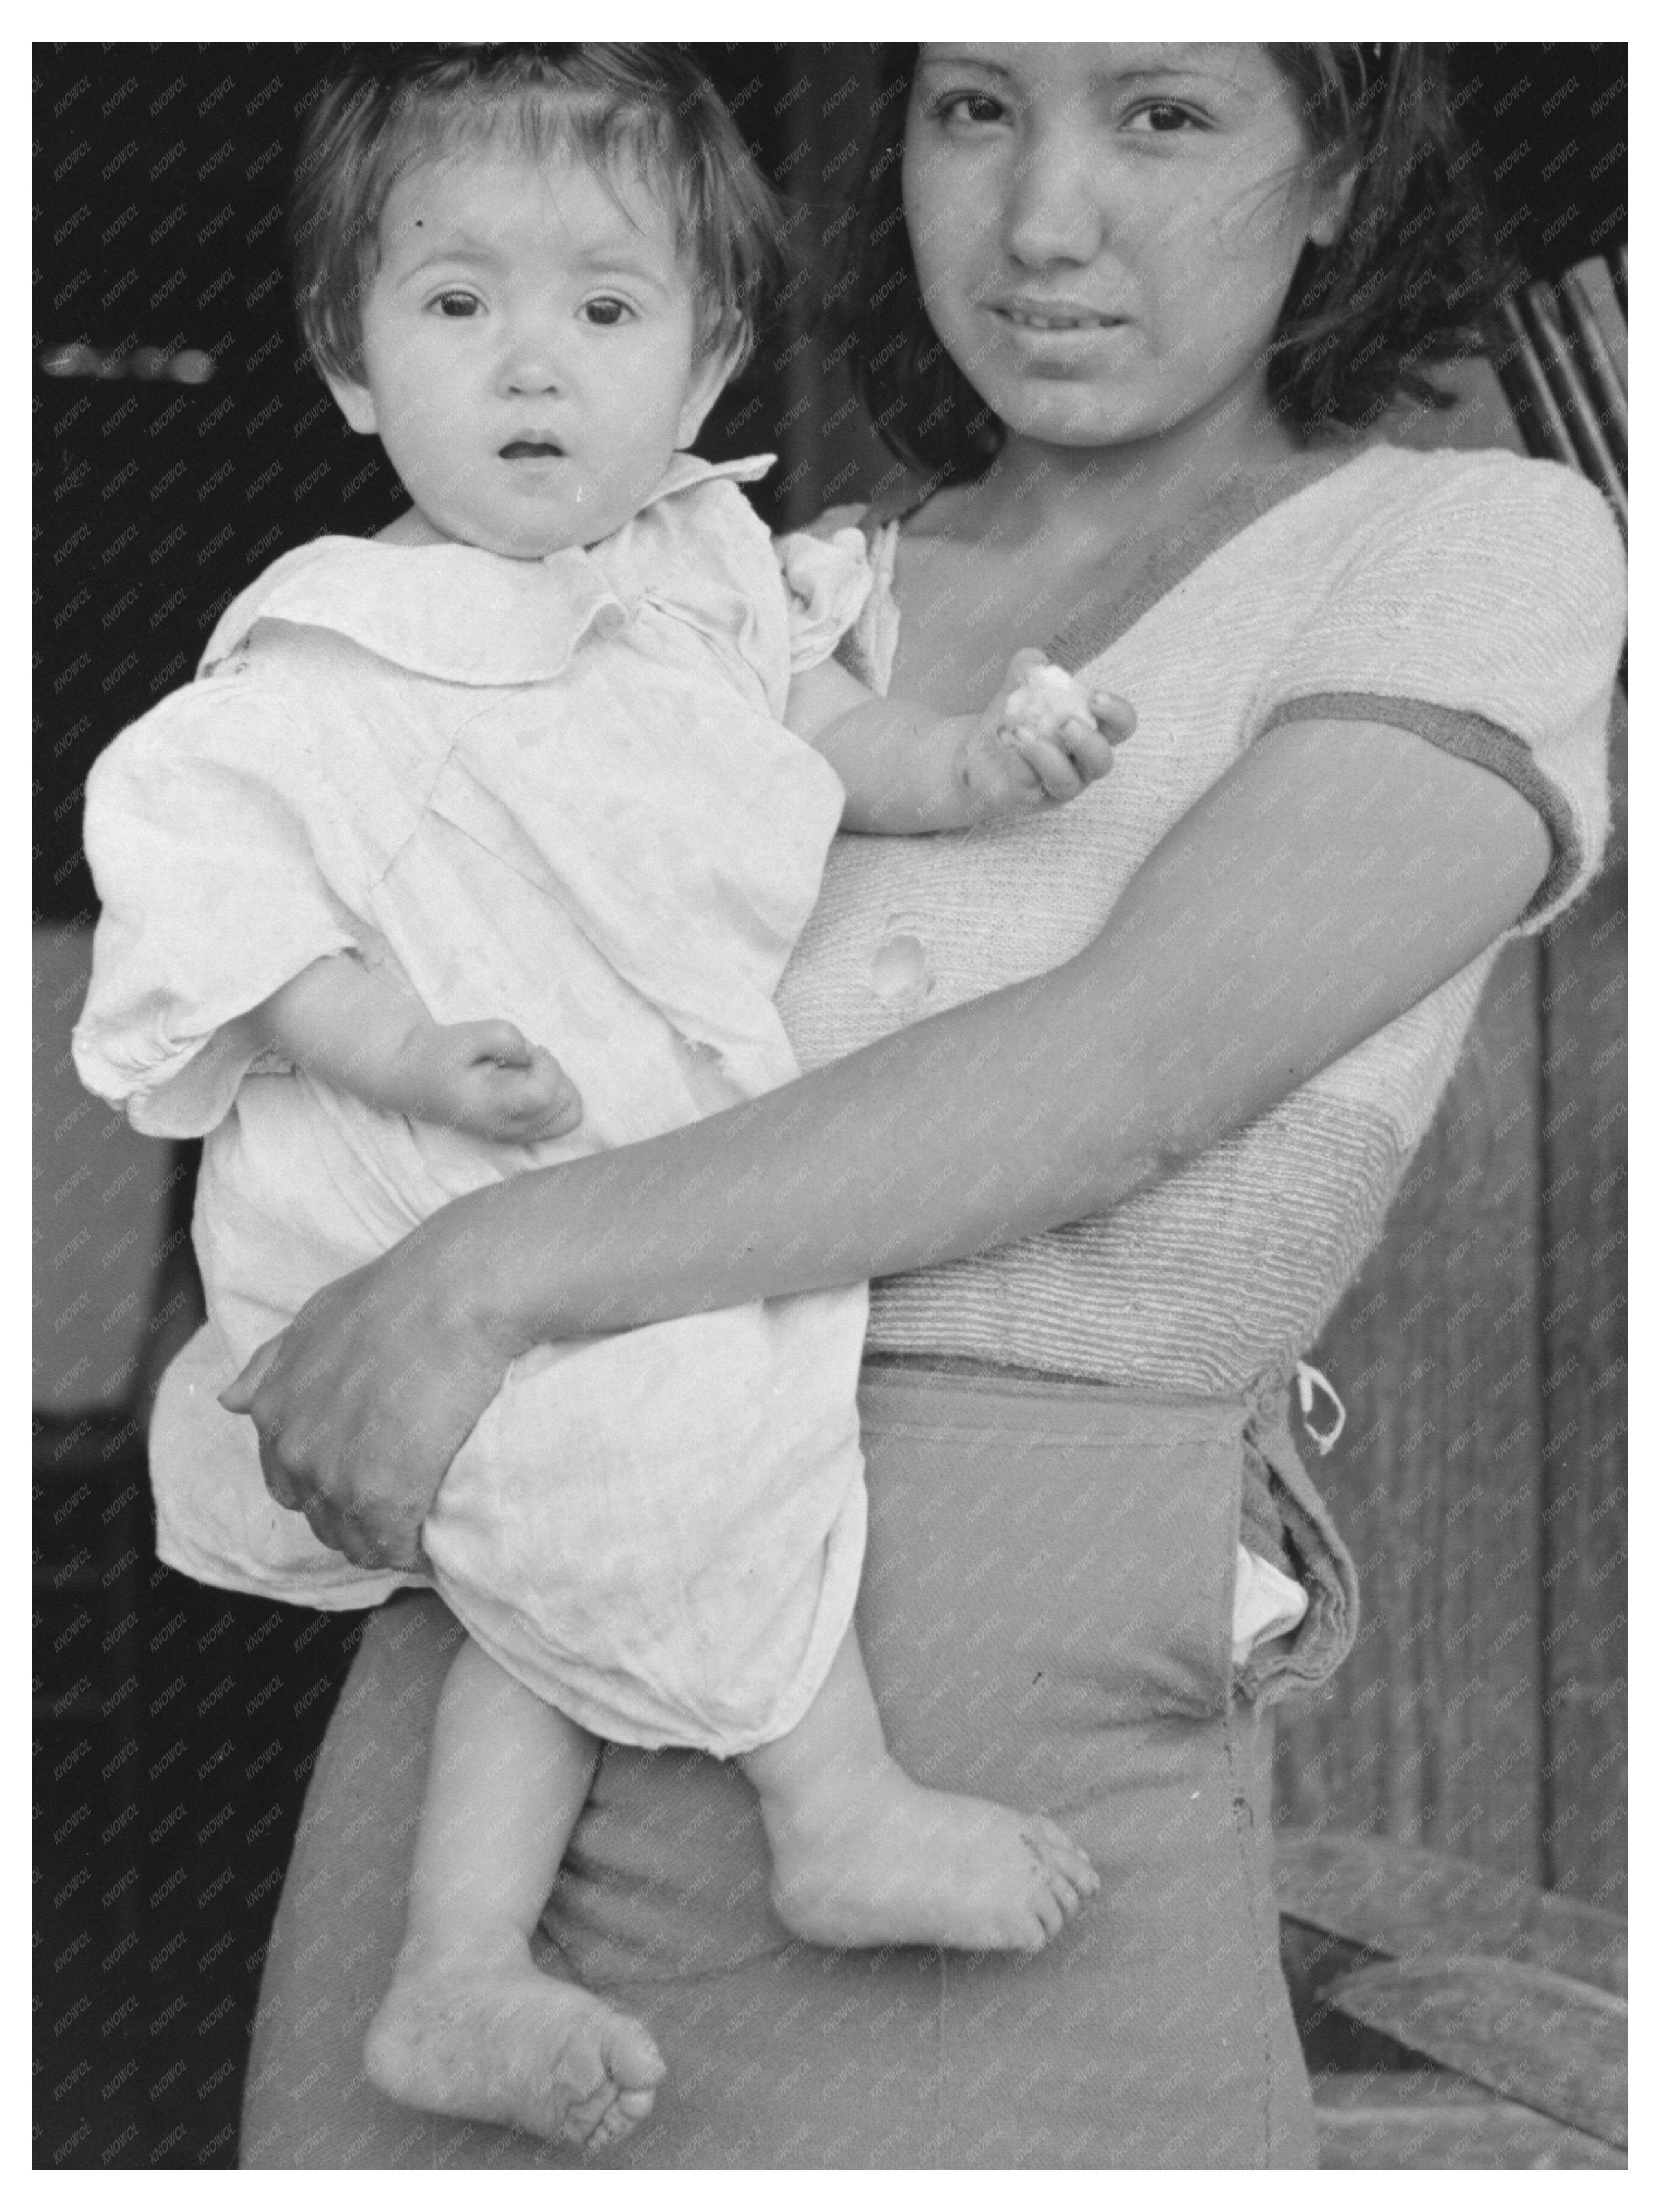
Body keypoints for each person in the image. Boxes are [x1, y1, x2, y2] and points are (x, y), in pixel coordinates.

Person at [223, 42, 1622, 2169]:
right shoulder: (738, 589)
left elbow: (1125, 1075)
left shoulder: (1472, 551)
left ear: (1334, 166)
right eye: (973, 109)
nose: (1045, 217)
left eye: (1163, 116)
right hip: (483, 1770)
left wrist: (480, 1275)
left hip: (1002, 1776)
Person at [74, 47, 1140, 2152]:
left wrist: (991, 769)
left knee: (581, 1538)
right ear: (353, 361)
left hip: (631, 1154)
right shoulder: (327, 646)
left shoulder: (708, 576)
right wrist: (393, 1043)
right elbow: (219, 901)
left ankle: (457, 1965)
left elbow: (850, 754)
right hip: (428, 1158)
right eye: (458, 308)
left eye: (606, 309)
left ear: (707, 350)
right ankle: (827, 1802)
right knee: (646, 1451)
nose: (533, 368)